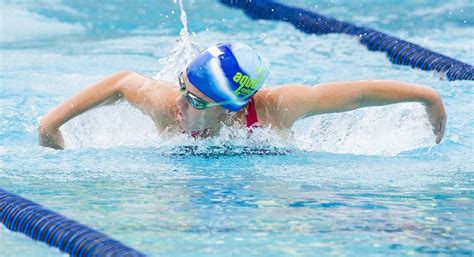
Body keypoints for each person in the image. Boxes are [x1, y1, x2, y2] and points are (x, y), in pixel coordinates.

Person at [38, 42, 447, 150]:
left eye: (197, 101)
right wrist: (51, 125)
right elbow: (123, 81)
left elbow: (354, 95)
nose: (180, 104)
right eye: (184, 90)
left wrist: (428, 96)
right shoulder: (166, 105)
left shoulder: (274, 109)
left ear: (233, 107)